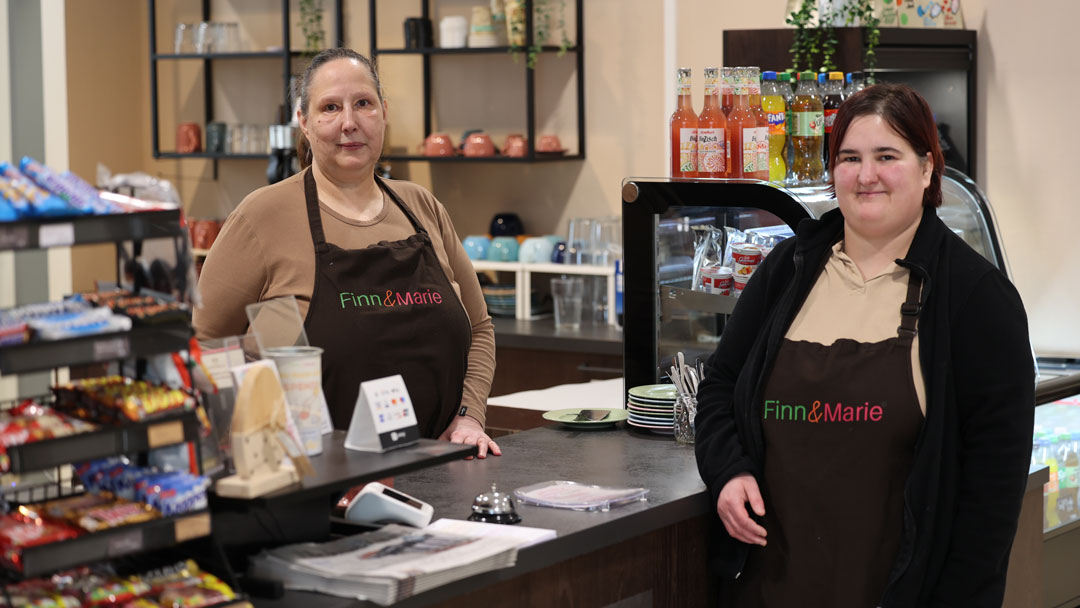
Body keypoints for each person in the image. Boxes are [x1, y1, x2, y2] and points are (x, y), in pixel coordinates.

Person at [694, 83, 1034, 607]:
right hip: (769, 585)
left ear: (927, 169)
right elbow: (719, 385)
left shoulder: (976, 300)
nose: (866, 175)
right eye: (849, 157)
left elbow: (990, 499)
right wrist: (728, 470)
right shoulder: (789, 270)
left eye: (887, 156)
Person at [194, 48, 500, 458]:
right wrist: (251, 449)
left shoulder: (422, 207)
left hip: (439, 469)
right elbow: (206, 344)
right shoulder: (263, 215)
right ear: (303, 122)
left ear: (384, 113)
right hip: (318, 484)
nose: (349, 123)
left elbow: (479, 328)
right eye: (330, 107)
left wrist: (469, 415)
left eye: (363, 104)